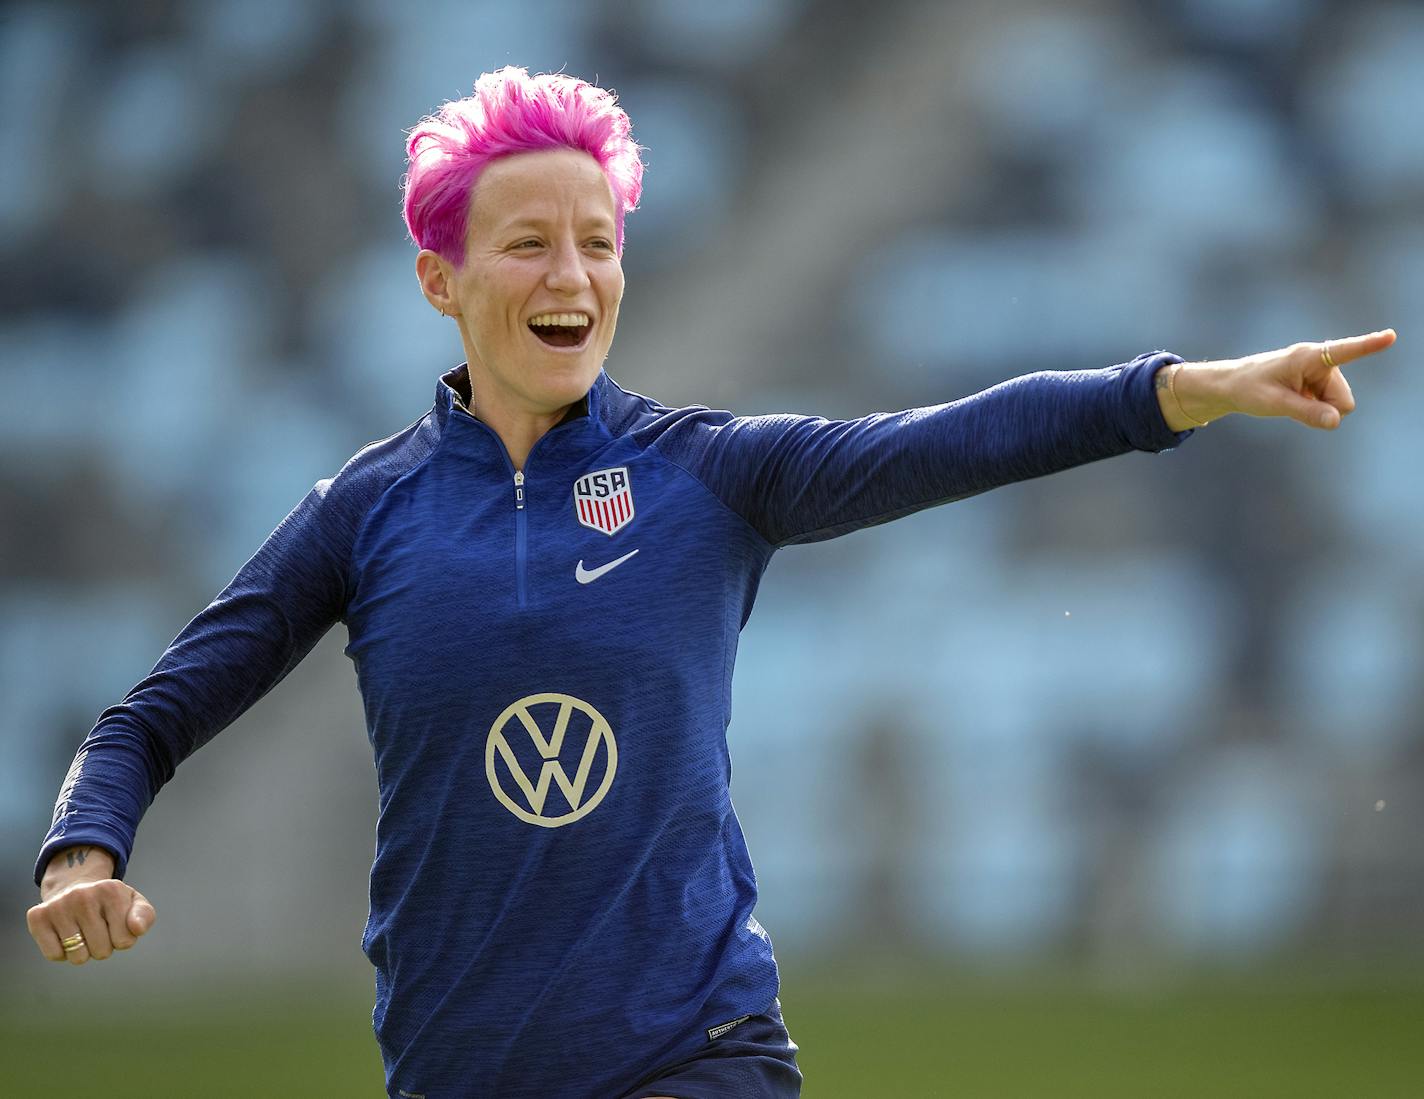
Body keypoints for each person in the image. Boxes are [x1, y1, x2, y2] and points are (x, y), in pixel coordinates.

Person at [25, 65, 1397, 1099]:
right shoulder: (363, 514)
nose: (573, 272)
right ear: (442, 280)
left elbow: (955, 439)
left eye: (598, 241)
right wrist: (86, 848)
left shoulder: (708, 475)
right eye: (528, 244)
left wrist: (1189, 389)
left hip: (699, 1056)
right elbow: (149, 716)